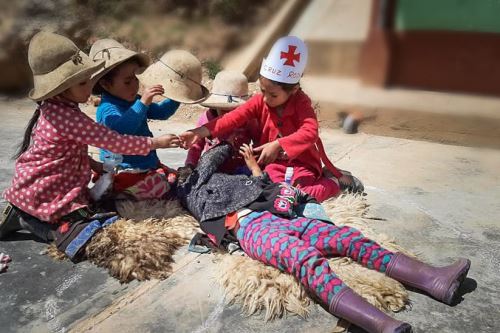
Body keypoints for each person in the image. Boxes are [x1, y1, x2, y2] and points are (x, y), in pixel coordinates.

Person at [176, 141, 471, 333]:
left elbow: (259, 186)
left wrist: (253, 167)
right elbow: (210, 159)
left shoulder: (229, 178)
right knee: (304, 259)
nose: (183, 172)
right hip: (251, 228)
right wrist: (216, 138)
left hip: (277, 214)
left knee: (347, 238)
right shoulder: (193, 189)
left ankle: (434, 280)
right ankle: (381, 325)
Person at [0, 31, 179, 242]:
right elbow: (115, 141)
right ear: (62, 87)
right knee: (74, 232)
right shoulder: (71, 117)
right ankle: (26, 220)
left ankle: (24, 213)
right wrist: (155, 142)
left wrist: (94, 164)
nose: (89, 88)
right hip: (48, 188)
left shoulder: (56, 107)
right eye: (83, 83)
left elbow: (64, 152)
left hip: (54, 180)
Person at [179, 36, 363, 203]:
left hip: (301, 163)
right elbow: (234, 118)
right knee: (274, 192)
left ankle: (333, 183)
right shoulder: (260, 101)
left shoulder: (301, 104)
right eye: (262, 91)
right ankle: (320, 179)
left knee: (300, 194)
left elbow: (310, 132)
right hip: (275, 165)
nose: (265, 98)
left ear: (293, 90)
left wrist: (278, 144)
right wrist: (198, 132)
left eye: (273, 95)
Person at [90, 39, 182, 200]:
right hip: (125, 169)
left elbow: (161, 112)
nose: (134, 86)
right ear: (105, 84)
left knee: (174, 183)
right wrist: (143, 103)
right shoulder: (107, 109)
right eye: (127, 81)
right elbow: (122, 132)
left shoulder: (134, 100)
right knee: (164, 189)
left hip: (145, 166)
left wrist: (177, 95)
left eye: (136, 79)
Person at [184, 70, 260, 175]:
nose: (227, 115)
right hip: (210, 168)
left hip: (240, 169)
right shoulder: (206, 118)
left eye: (233, 110)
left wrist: (255, 163)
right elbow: (196, 147)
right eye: (223, 109)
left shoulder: (248, 120)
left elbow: (258, 140)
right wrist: (190, 165)